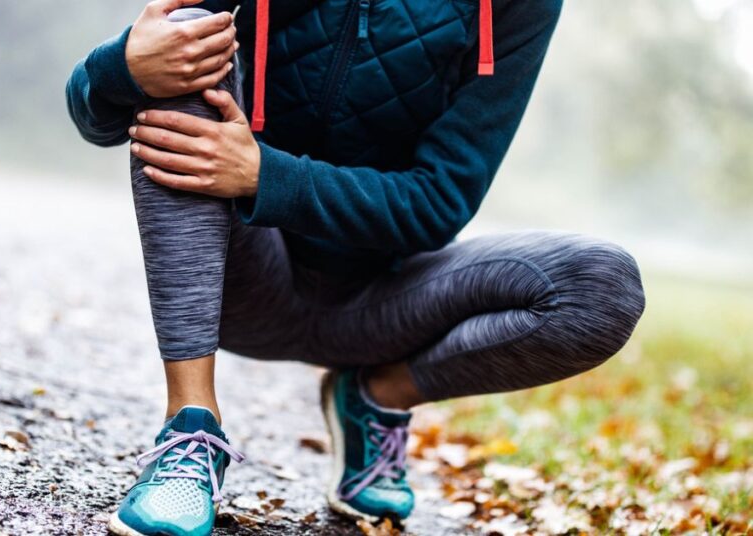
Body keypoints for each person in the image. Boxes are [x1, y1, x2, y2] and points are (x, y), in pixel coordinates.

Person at [67, 0, 645, 534]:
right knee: (185, 34)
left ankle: (376, 396)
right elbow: (95, 115)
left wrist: (266, 176)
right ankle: (189, 429)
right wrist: (123, 67)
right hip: (241, 282)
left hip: (381, 307)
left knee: (601, 286)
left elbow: (441, 201)